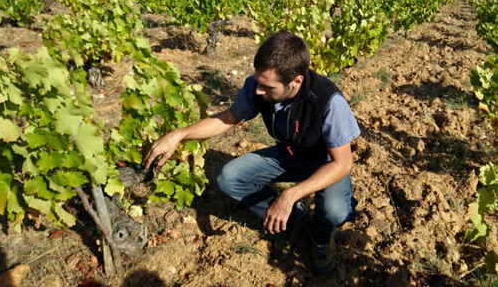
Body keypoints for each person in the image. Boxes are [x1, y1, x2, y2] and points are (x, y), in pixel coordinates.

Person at [142, 31, 360, 275]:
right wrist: (179, 134)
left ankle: (320, 235)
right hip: (289, 155)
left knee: (335, 210)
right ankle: (294, 220)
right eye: (257, 81)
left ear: (295, 82)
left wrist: (290, 194)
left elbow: (342, 164)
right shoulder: (258, 86)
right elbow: (227, 118)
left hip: (325, 165)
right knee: (229, 177)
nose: (257, 91)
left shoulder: (328, 101)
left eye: (267, 87)